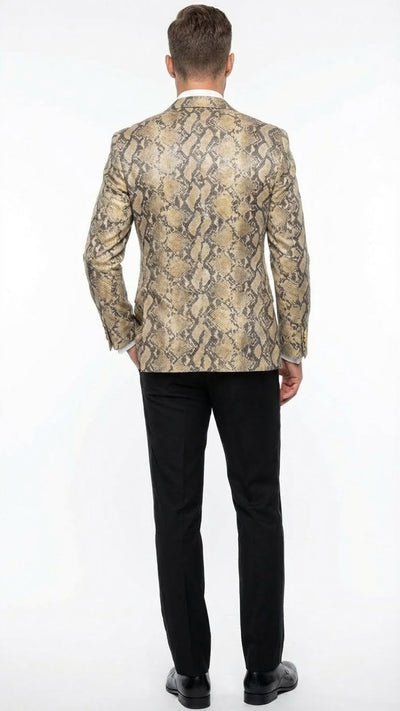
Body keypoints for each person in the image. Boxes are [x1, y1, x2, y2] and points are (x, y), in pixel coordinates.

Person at [83, 4, 310, 707]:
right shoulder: (266, 144)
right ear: (230, 63)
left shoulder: (133, 145)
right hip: (249, 354)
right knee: (259, 505)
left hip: (167, 359)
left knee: (176, 512)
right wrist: (292, 347)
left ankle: (192, 675)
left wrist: (129, 334)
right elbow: (291, 258)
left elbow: (98, 256)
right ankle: (262, 673)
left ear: (170, 65)